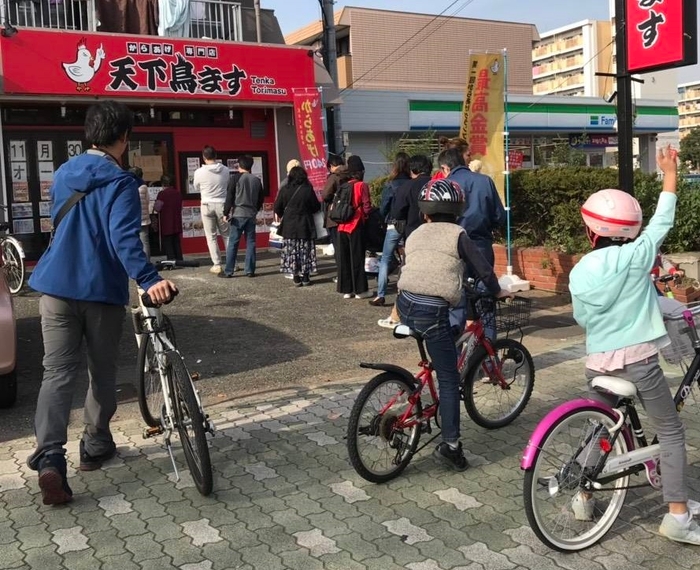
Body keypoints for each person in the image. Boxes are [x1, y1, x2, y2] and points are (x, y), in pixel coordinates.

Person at [26, 100, 177, 506]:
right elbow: (123, 240)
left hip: (54, 288)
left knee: (55, 374)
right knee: (101, 371)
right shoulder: (121, 183)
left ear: (89, 134)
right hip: (99, 291)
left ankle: (50, 459)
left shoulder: (63, 174)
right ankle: (94, 445)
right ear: (124, 138)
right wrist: (149, 279)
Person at [569, 146, 700, 545]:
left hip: (597, 364)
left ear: (592, 230)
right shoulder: (637, 256)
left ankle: (582, 493)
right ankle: (678, 516)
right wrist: (669, 173)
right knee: (673, 434)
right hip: (639, 363)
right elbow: (664, 219)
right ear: (628, 230)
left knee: (601, 426)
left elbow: (583, 318)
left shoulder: (580, 270)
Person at [396, 178, 507, 471]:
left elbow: (426, 268)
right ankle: (452, 446)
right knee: (449, 379)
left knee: (445, 338)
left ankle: (430, 376)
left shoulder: (417, 233)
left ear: (425, 212)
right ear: (458, 211)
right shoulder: (459, 234)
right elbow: (482, 268)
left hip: (405, 304)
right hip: (432, 310)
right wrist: (497, 291)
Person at [440, 147, 506, 339]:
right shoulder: (485, 181)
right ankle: (488, 352)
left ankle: (457, 354)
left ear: (445, 168)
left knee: (456, 300)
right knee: (486, 298)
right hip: (481, 244)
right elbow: (499, 216)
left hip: (453, 247)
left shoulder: (444, 184)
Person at [377, 154, 432, 328]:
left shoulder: (407, 187)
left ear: (413, 170)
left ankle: (397, 316)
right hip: (437, 237)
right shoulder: (439, 183)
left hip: (414, 237)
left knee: (407, 276)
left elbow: (397, 213)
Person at [370, 152, 411, 306]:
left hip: (393, 225)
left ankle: (380, 295)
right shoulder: (411, 183)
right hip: (408, 226)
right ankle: (405, 292)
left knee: (386, 259)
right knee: (407, 259)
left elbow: (383, 208)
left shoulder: (390, 184)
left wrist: (385, 218)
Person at [273, 166, 321, 286]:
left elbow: (277, 207)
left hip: (289, 226)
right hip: (305, 224)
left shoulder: (285, 189)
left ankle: (295, 276)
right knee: (305, 250)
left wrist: (284, 214)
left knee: (292, 251)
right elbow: (316, 207)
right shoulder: (308, 189)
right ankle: (305, 276)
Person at [221, 155, 263, 278]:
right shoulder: (256, 180)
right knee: (251, 242)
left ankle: (229, 271)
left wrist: (225, 213)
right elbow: (260, 199)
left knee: (233, 243)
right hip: (251, 215)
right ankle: (250, 270)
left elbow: (229, 197)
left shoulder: (235, 179)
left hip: (238, 214)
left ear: (239, 166)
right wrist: (255, 210)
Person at [336, 155, 372, 299]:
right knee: (357, 258)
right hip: (356, 225)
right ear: (360, 171)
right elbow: (367, 207)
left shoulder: (343, 185)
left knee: (344, 259)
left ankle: (347, 290)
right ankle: (360, 290)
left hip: (341, 225)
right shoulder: (361, 185)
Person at [193, 145, 229, 273]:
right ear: (216, 155)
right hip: (222, 204)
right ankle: (232, 263)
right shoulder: (225, 170)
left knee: (211, 236)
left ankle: (217, 264)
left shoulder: (198, 172)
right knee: (227, 235)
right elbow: (228, 185)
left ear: (203, 157)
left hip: (206, 204)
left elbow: (196, 187)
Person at [322, 154, 347, 270]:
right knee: (347, 246)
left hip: (335, 216)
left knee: (338, 247)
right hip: (349, 215)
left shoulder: (333, 177)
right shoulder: (350, 175)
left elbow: (325, 195)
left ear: (331, 166)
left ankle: (342, 274)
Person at [155, 174, 183, 261]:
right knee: (176, 242)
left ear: (163, 184)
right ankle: (179, 260)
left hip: (166, 222)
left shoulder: (162, 194)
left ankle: (171, 260)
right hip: (177, 221)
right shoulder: (178, 193)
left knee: (168, 243)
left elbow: (157, 208)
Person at [129, 166, 151, 259]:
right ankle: (147, 262)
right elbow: (148, 200)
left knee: (132, 241)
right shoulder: (143, 186)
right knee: (144, 241)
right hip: (143, 218)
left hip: (132, 217)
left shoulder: (128, 185)